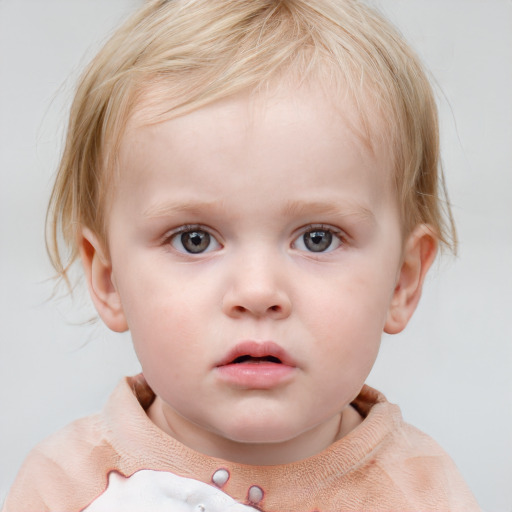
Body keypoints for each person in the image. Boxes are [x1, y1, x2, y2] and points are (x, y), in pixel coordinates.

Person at [3, 0, 481, 510]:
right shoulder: (64, 488)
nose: (257, 292)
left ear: (402, 282)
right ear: (108, 279)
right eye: (195, 239)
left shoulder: (424, 494)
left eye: (317, 238)